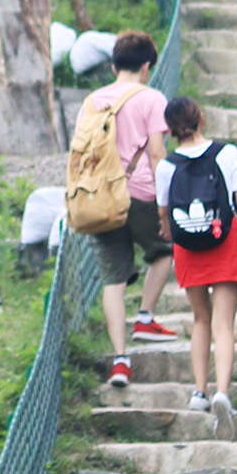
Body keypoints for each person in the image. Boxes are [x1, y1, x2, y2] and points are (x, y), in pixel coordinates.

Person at [79, 32, 177, 390]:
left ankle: (120, 361)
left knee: (113, 281)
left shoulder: (92, 101)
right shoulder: (152, 98)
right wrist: (164, 204)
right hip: (140, 194)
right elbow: (157, 153)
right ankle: (145, 318)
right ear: (147, 66)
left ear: (113, 66)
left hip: (100, 197)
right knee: (164, 251)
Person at [155, 94, 237, 432]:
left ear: (170, 129)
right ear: (201, 119)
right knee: (223, 324)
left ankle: (200, 391)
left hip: (188, 246)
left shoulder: (166, 166)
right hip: (224, 239)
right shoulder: (227, 153)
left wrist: (170, 231)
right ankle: (222, 393)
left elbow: (164, 214)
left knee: (201, 318)